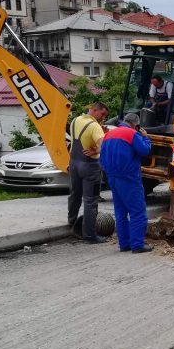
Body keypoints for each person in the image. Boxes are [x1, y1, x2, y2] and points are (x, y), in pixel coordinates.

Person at [100, 112, 153, 253]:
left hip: (112, 177)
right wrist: (146, 138)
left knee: (120, 211)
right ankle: (137, 245)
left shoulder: (108, 135)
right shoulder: (131, 134)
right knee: (137, 211)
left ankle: (124, 244)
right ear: (135, 124)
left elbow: (102, 157)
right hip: (129, 177)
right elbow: (144, 150)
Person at [67, 101, 109, 243]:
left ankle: (71, 223)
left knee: (74, 194)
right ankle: (90, 235)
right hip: (89, 166)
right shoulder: (95, 126)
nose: (103, 117)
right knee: (90, 200)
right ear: (95, 110)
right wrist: (96, 150)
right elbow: (104, 145)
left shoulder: (75, 120)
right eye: (102, 114)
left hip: (73, 163)